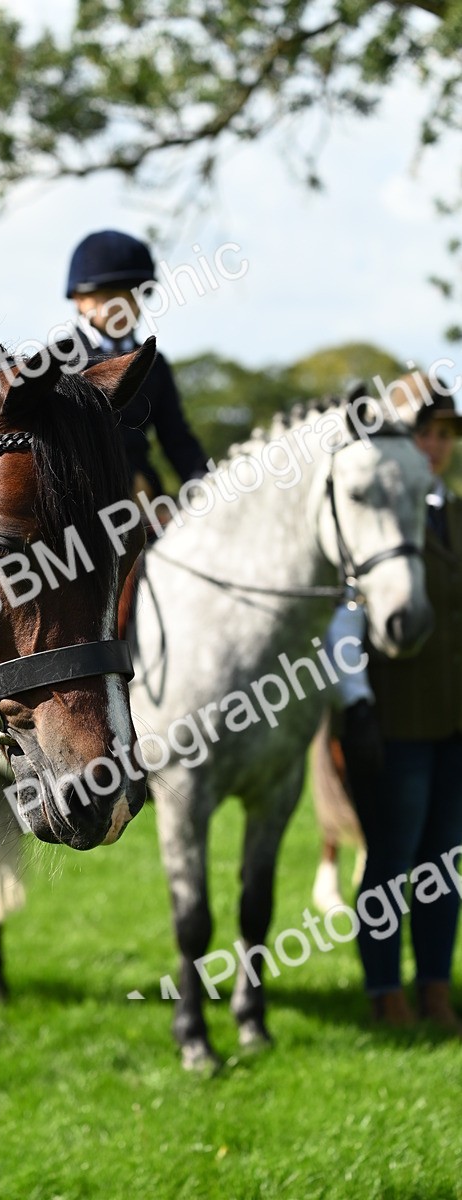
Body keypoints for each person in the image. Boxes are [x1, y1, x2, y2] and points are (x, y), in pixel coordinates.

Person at [329, 375, 462, 1031]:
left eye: (445, 435)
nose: (435, 446)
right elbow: (344, 622)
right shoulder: (383, 512)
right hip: (398, 718)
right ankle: (385, 990)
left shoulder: (459, 511)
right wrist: (355, 703)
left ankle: (435, 987)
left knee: (447, 863)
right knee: (393, 860)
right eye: (425, 433)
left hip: (456, 721)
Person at [60, 229, 208, 501]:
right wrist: (127, 479)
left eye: (132, 295)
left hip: (148, 501)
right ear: (80, 299)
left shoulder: (153, 363)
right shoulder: (57, 365)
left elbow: (177, 439)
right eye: (110, 296)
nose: (124, 306)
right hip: (79, 504)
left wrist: (205, 487)